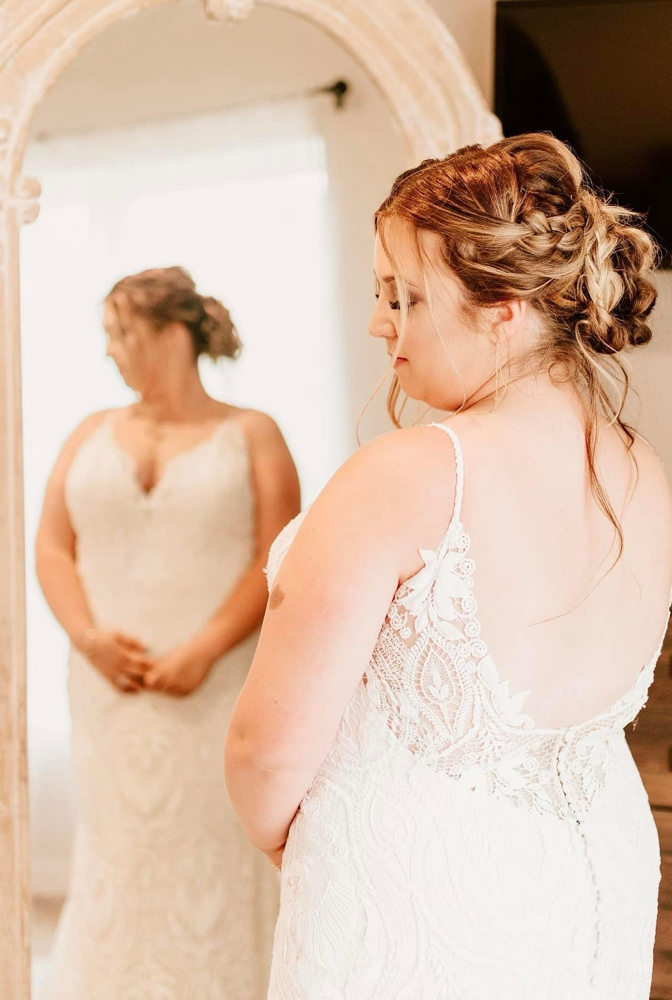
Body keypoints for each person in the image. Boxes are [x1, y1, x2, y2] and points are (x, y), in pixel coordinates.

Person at [225, 134, 672, 999]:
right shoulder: (645, 471)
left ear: (501, 307)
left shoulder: (407, 473)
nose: (378, 322)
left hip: (417, 883)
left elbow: (264, 749)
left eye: (405, 296)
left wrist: (303, 839)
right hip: (595, 878)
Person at [36, 266, 299, 999]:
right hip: (106, 687)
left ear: (170, 333)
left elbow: (275, 555)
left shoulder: (252, 433)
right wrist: (86, 637)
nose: (112, 352)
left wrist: (203, 650)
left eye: (120, 334)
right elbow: (52, 546)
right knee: (117, 845)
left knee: (212, 846)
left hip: (216, 684)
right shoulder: (89, 432)